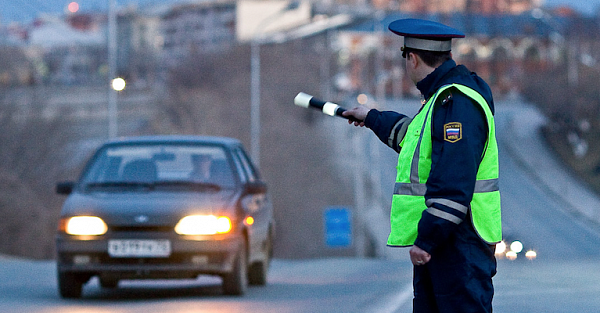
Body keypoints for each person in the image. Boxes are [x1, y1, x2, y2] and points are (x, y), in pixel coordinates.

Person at [343, 18, 501, 313]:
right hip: (449, 244)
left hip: (457, 245)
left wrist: (427, 240)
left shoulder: (456, 103)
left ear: (412, 58)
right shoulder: (442, 99)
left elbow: (453, 182)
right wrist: (372, 118)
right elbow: (416, 140)